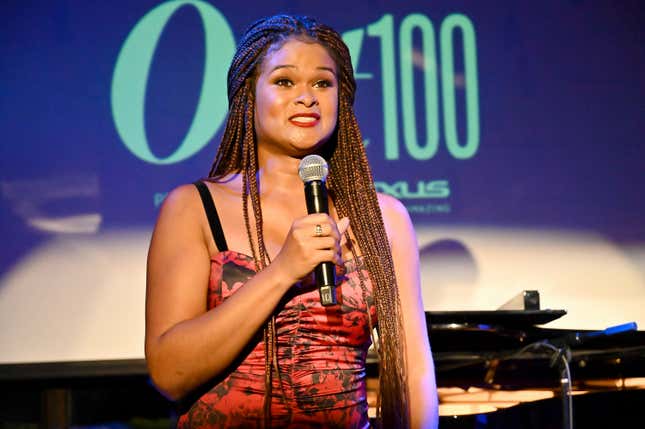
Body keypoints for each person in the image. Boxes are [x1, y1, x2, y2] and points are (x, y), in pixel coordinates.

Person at [145, 14, 438, 429]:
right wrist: (282, 270)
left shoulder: (383, 218)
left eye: (323, 83)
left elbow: (414, 369)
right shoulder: (192, 207)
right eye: (285, 81)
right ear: (248, 95)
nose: (307, 97)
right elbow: (169, 373)